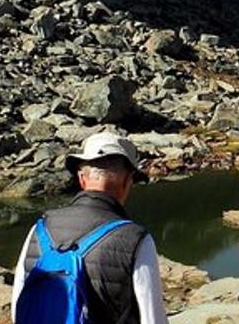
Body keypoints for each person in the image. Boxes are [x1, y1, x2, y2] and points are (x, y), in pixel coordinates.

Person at [11, 132, 167, 324]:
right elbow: (153, 320)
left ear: (82, 179)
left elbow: (18, 307)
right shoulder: (136, 239)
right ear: (128, 181)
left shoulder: (40, 228)